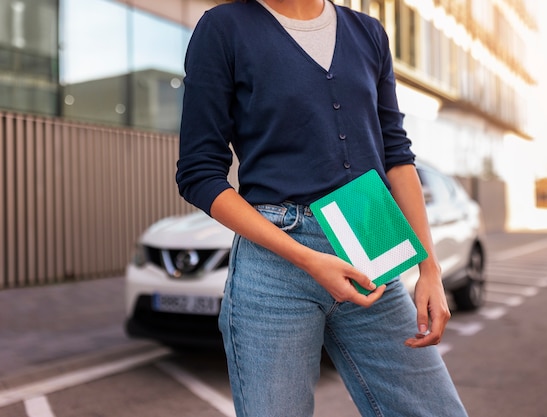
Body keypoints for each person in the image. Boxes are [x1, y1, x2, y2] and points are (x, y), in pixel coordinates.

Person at [176, 0, 468, 415]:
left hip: (372, 232)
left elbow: (397, 157)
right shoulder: (224, 28)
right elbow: (198, 173)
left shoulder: (368, 32)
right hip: (278, 254)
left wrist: (429, 270)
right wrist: (307, 259)